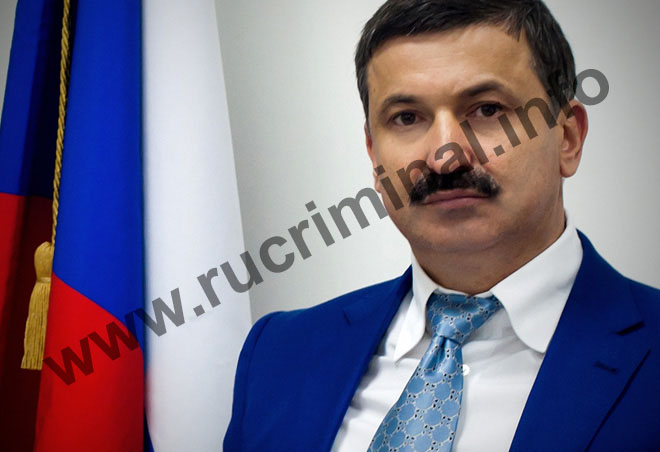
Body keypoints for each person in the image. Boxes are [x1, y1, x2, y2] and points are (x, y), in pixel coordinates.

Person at [224, 1, 660, 451]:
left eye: (487, 109)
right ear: (374, 157)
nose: (444, 157)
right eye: (407, 118)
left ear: (567, 138)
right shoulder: (279, 355)